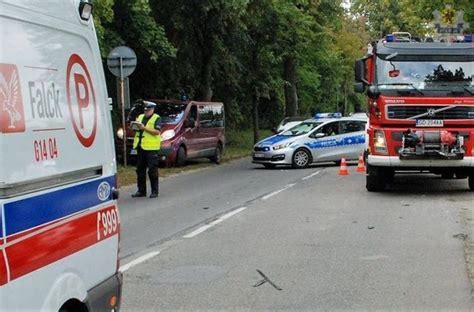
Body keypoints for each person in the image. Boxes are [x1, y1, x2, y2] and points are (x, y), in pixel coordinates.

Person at [131, 101, 161, 198]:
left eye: (148, 110)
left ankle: (154, 191)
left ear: (152, 110)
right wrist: (134, 126)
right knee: (140, 170)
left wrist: (144, 128)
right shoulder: (140, 117)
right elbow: (137, 130)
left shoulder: (157, 118)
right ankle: (141, 190)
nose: (146, 112)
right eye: (145, 110)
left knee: (152, 170)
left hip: (151, 148)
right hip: (140, 146)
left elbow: (157, 131)